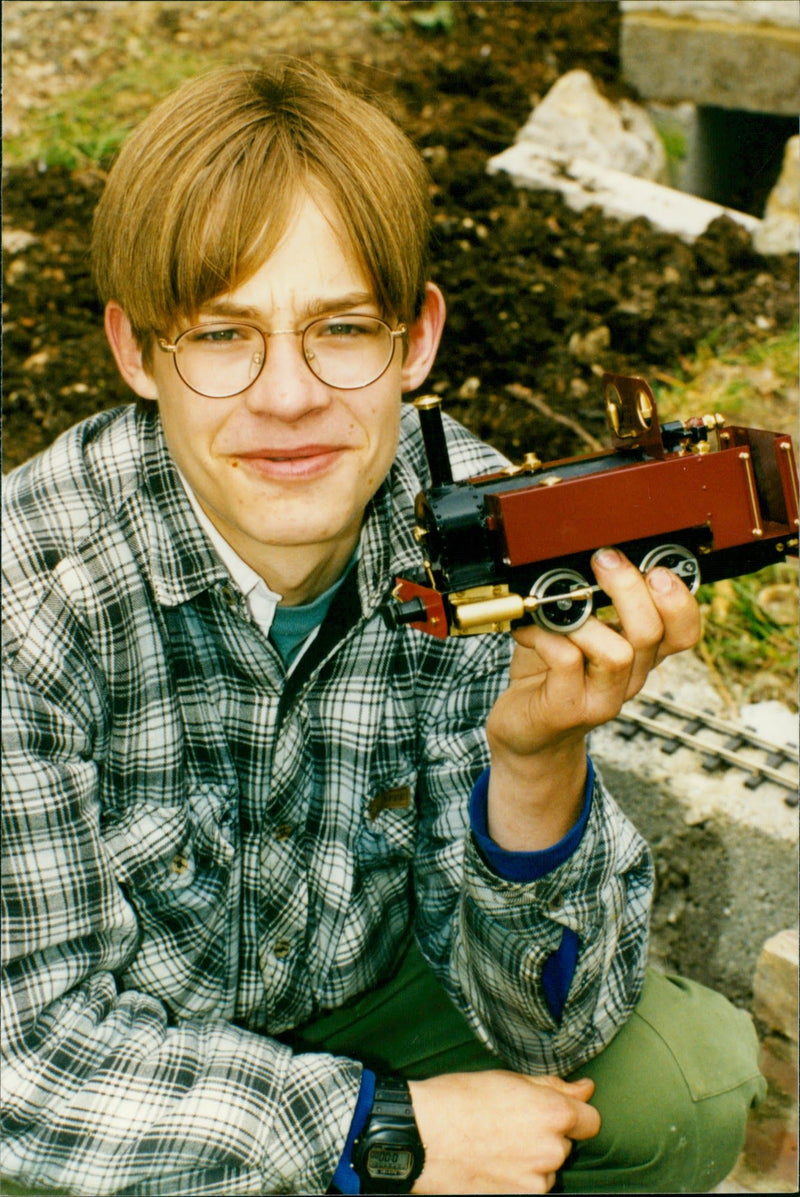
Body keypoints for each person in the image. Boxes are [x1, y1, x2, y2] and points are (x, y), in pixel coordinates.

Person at [2, 59, 765, 1197]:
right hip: (118, 1053)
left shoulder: (470, 534)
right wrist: (377, 1131)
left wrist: (536, 759)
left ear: (414, 342)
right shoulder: (33, 602)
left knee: (682, 1091)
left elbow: (550, 1034)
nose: (287, 396)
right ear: (135, 352)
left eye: (340, 329)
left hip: (364, 991)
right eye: (221, 335)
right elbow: (28, 1059)